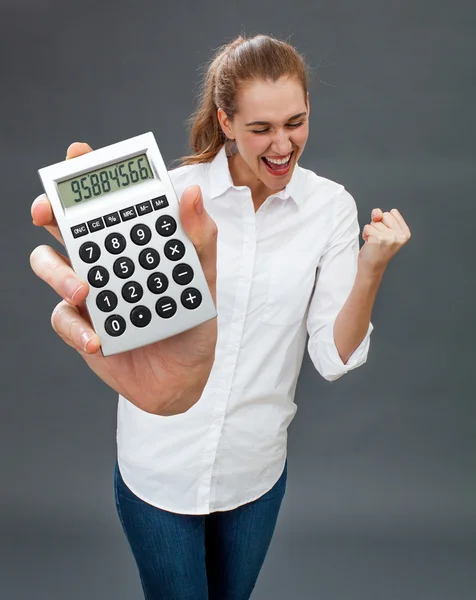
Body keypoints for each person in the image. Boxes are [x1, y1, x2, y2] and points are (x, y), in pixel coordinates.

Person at [30, 33, 411, 600]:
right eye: (261, 128)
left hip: (255, 471)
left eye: (296, 122)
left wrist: (371, 267)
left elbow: (333, 356)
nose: (283, 144)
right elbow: (127, 315)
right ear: (225, 122)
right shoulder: (169, 197)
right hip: (158, 468)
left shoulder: (330, 208)